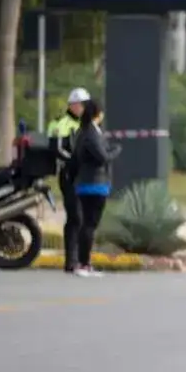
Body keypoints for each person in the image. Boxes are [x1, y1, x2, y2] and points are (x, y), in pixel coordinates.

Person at [70, 100, 120, 278]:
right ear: (98, 114)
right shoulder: (91, 133)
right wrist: (116, 151)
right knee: (90, 225)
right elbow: (101, 157)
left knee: (86, 224)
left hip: (85, 183)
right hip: (94, 185)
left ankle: (82, 262)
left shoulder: (82, 131)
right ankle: (84, 264)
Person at [48, 88, 89, 274]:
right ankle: (71, 261)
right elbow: (56, 150)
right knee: (75, 217)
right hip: (69, 175)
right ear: (73, 105)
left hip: (85, 175)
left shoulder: (86, 124)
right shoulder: (60, 123)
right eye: (81, 105)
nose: (84, 108)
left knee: (85, 218)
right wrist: (75, 161)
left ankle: (82, 259)